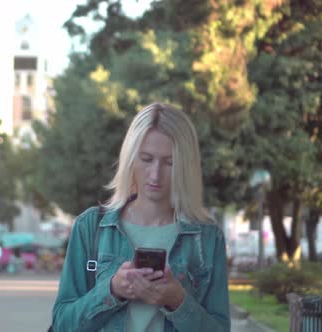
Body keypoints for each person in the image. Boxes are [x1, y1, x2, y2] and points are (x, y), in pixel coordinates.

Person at [51, 103, 230, 331]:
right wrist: (112, 290)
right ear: (130, 158)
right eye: (146, 159)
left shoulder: (207, 238)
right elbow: (62, 324)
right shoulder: (91, 227)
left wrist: (178, 302)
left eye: (170, 163)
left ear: (186, 166)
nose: (155, 174)